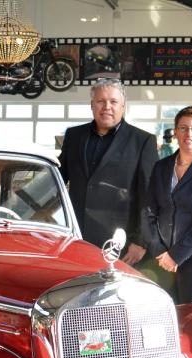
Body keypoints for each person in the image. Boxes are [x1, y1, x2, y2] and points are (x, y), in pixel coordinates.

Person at [58, 78, 158, 262]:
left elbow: (150, 197)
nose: (107, 107)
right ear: (92, 105)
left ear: (123, 106)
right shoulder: (74, 136)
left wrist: (141, 241)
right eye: (100, 101)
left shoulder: (143, 142)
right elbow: (58, 181)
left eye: (113, 102)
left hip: (120, 243)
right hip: (76, 238)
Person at [143, 106, 192, 304]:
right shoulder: (161, 166)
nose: (189, 134)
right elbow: (148, 210)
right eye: (184, 128)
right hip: (160, 259)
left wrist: (175, 256)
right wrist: (159, 250)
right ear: (176, 131)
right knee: (161, 319)